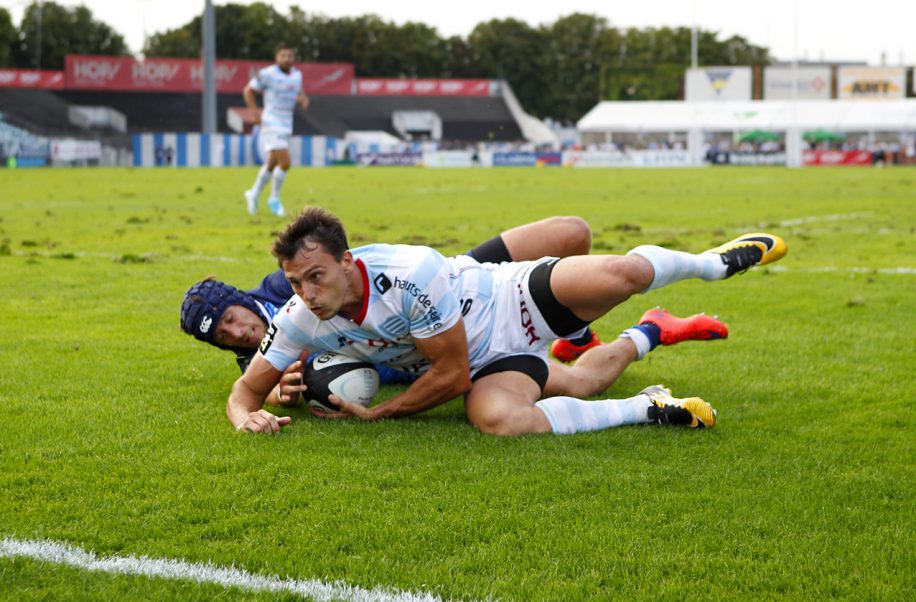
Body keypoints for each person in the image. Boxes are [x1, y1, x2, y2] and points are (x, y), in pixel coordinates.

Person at [226, 208, 785, 435]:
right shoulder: (301, 316)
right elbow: (244, 391)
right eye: (295, 282)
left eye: (316, 277)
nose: (306, 294)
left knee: (618, 277)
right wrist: (245, 418)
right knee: (505, 419)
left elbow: (450, 376)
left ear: (349, 262)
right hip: (490, 359)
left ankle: (713, 263)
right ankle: (650, 388)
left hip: (507, 298)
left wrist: (382, 412)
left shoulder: (411, 271)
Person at [243, 43, 309, 217]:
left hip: (287, 122)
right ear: (277, 58)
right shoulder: (268, 74)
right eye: (283, 56)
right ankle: (274, 198)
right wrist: (255, 114)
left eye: (290, 56)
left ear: (294, 59)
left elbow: (297, 90)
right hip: (271, 121)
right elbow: (248, 91)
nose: (286, 59)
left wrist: (302, 98)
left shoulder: (297, 75)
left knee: (272, 163)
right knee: (285, 162)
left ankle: (253, 193)